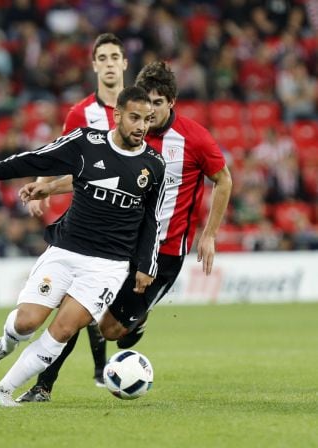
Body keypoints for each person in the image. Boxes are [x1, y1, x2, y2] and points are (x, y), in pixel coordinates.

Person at [15, 61, 232, 403]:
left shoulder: (195, 138)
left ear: (171, 103)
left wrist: (209, 233)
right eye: (147, 104)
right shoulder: (127, 138)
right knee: (74, 310)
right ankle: (43, 386)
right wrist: (49, 188)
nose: (151, 112)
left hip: (165, 253)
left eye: (159, 104)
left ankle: (136, 323)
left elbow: (224, 179)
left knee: (112, 330)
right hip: (120, 245)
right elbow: (93, 174)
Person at [0, 86, 166, 407]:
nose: (142, 126)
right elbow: (39, 158)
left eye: (147, 119)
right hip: (65, 252)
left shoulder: (154, 165)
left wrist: (147, 265)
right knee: (27, 322)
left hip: (108, 266)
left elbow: (151, 219)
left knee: (62, 330)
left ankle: (1, 392)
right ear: (117, 115)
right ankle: (5, 343)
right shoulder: (87, 142)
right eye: (134, 118)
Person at [27, 32, 129, 388]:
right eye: (103, 58)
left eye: (115, 56)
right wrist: (42, 185)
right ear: (95, 65)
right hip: (87, 221)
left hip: (128, 222)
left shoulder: (140, 112)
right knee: (75, 307)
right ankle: (47, 382)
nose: (110, 63)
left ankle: (103, 365)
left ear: (124, 63)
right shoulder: (81, 113)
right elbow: (58, 152)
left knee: (107, 312)